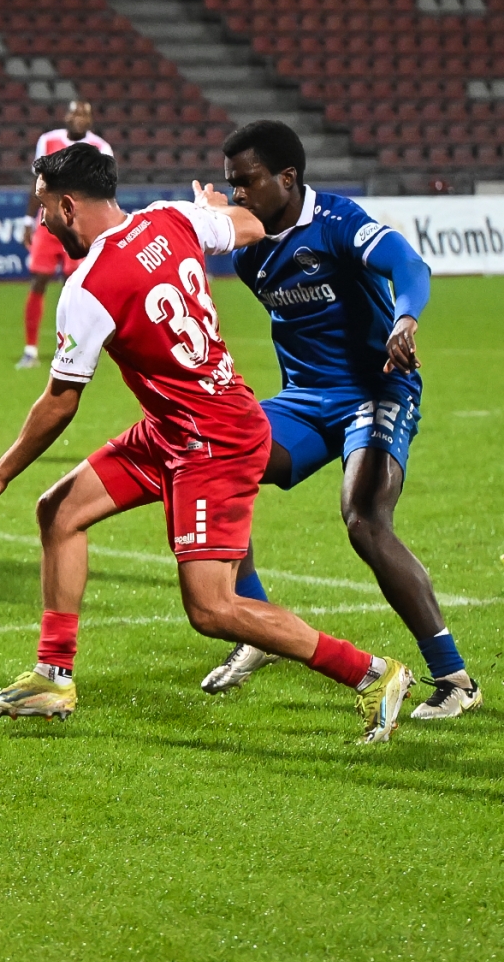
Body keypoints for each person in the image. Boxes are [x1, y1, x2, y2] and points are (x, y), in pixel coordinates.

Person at [0, 145, 414, 744]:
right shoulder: (171, 217)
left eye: (43, 207)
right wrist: (210, 210)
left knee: (212, 609)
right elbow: (252, 226)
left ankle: (374, 673)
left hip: (210, 440)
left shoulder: (88, 286)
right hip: (180, 425)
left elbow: (60, 402)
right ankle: (52, 676)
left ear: (67, 206)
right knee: (59, 511)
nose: (40, 220)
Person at [195, 120, 478, 720]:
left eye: (247, 181)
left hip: (377, 387)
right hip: (305, 400)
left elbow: (410, 265)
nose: (238, 193)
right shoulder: (248, 251)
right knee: (215, 463)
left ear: (287, 177)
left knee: (365, 520)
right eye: (231, 183)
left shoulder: (337, 221)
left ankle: (455, 678)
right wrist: (205, 220)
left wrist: (405, 320)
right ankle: (255, 624)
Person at [17, 100, 111, 368]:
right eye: (74, 112)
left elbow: (105, 191)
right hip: (47, 222)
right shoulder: (48, 141)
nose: (79, 117)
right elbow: (38, 182)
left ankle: (71, 348)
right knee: (39, 280)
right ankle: (30, 350)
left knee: (75, 286)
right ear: (65, 116)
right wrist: (28, 219)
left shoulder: (101, 148)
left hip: (78, 225)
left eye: (84, 113)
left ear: (91, 120)